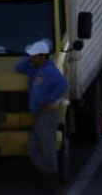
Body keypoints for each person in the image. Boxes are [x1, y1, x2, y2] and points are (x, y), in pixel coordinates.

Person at [16, 40, 68, 188]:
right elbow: (19, 68)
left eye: (34, 56)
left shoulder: (51, 71)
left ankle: (52, 177)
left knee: (48, 148)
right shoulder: (35, 69)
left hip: (47, 115)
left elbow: (63, 85)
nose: (31, 58)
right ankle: (48, 173)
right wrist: (29, 58)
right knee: (32, 149)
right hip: (38, 115)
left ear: (42, 56)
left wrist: (51, 101)